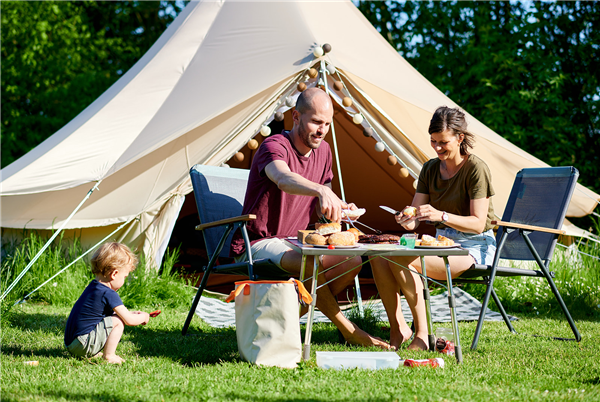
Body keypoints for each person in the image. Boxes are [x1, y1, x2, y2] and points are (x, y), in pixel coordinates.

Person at [231, 87, 390, 349]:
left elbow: (319, 207)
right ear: (296, 116)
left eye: (327, 124)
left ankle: (282, 320)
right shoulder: (274, 146)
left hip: (300, 241)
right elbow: (283, 179)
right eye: (316, 121)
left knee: (351, 260)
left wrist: (336, 205)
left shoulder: (324, 151)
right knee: (310, 264)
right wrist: (321, 189)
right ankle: (349, 329)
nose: (322, 130)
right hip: (259, 241)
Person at [371, 106, 496, 351]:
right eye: (433, 141)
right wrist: (407, 219)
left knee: (403, 259)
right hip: (439, 242)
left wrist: (441, 215)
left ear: (460, 138)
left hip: (473, 246)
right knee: (379, 256)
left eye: (443, 142)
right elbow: (414, 217)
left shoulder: (475, 169)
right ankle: (398, 329)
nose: (437, 148)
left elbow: (478, 222)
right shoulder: (430, 168)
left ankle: (422, 335)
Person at [64, 242, 150, 364]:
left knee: (115, 318)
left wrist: (131, 313)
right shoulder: (108, 293)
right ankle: (109, 356)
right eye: (125, 276)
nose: (124, 280)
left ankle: (89, 350)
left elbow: (115, 314)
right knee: (118, 322)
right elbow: (129, 320)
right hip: (81, 345)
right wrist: (143, 317)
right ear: (114, 274)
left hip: (71, 344)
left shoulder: (93, 287)